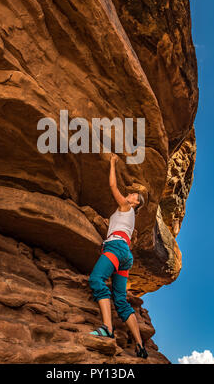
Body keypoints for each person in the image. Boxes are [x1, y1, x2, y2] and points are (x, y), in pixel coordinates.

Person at [88, 153, 149, 359]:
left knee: (97, 279)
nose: (131, 195)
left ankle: (107, 328)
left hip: (115, 248)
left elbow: (113, 187)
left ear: (134, 204)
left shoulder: (125, 206)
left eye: (134, 197)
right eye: (132, 194)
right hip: (125, 255)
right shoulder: (127, 216)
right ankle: (140, 346)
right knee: (121, 300)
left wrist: (113, 163)